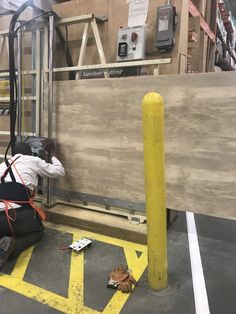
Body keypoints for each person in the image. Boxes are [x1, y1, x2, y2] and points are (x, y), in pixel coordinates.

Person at [0, 139, 65, 270]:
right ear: (29, 153)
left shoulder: (2, 165)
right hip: (15, 216)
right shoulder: (33, 160)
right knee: (38, 231)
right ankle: (14, 244)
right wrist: (52, 152)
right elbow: (59, 171)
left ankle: (4, 238)